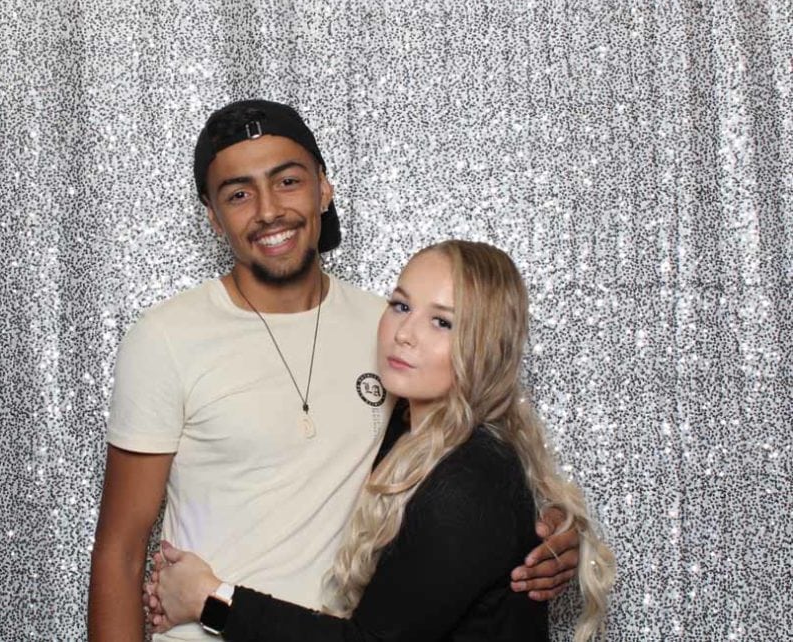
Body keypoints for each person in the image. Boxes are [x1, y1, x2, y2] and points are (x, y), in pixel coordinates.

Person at [87, 101, 581, 642]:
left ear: (324, 188)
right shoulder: (165, 338)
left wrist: (539, 534)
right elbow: (121, 550)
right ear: (213, 216)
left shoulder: (391, 331)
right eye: (239, 194)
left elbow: (462, 451)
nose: (269, 210)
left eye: (288, 181)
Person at [147, 240, 616, 641]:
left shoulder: (468, 482)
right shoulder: (409, 434)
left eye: (443, 322)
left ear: (487, 345)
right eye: (400, 306)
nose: (405, 334)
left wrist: (210, 600)